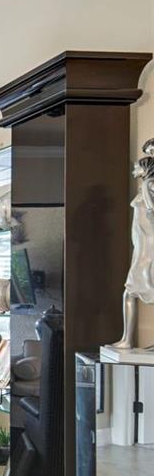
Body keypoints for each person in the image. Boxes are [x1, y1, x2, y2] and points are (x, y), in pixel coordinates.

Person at [111, 137, 154, 350]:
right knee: (131, 290)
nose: (134, 171)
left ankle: (127, 339)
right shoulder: (147, 185)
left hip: (149, 247)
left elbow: (152, 211)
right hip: (143, 247)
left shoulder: (149, 185)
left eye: (137, 167)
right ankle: (126, 339)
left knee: (131, 290)